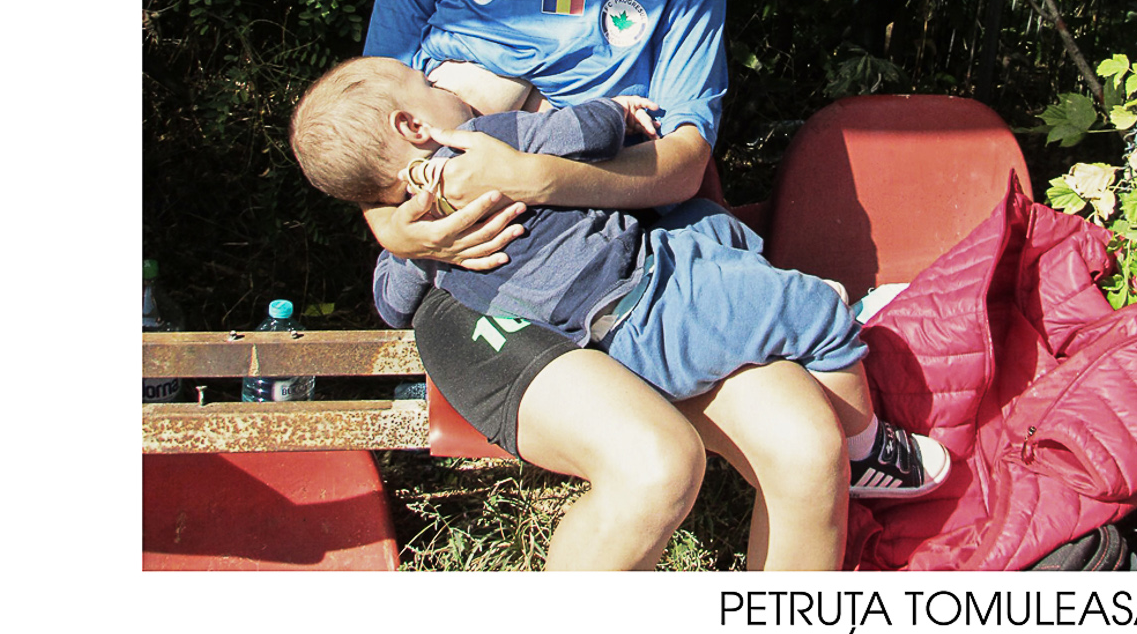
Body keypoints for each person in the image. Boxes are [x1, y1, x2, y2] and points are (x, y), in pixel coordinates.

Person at [355, 0, 872, 570]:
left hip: (650, 264)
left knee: (809, 448)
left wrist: (533, 173)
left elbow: (682, 161)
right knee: (654, 465)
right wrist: (404, 232)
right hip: (484, 283)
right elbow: (371, 140)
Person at [290, 56, 952, 498]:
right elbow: (573, 132)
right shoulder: (489, 139)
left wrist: (412, 245)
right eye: (432, 85)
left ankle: (770, 311)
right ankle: (867, 451)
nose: (449, 87)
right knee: (814, 308)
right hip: (649, 308)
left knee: (708, 228)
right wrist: (618, 111)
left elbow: (391, 303)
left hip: (604, 326)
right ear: (414, 124)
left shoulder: (417, 241)